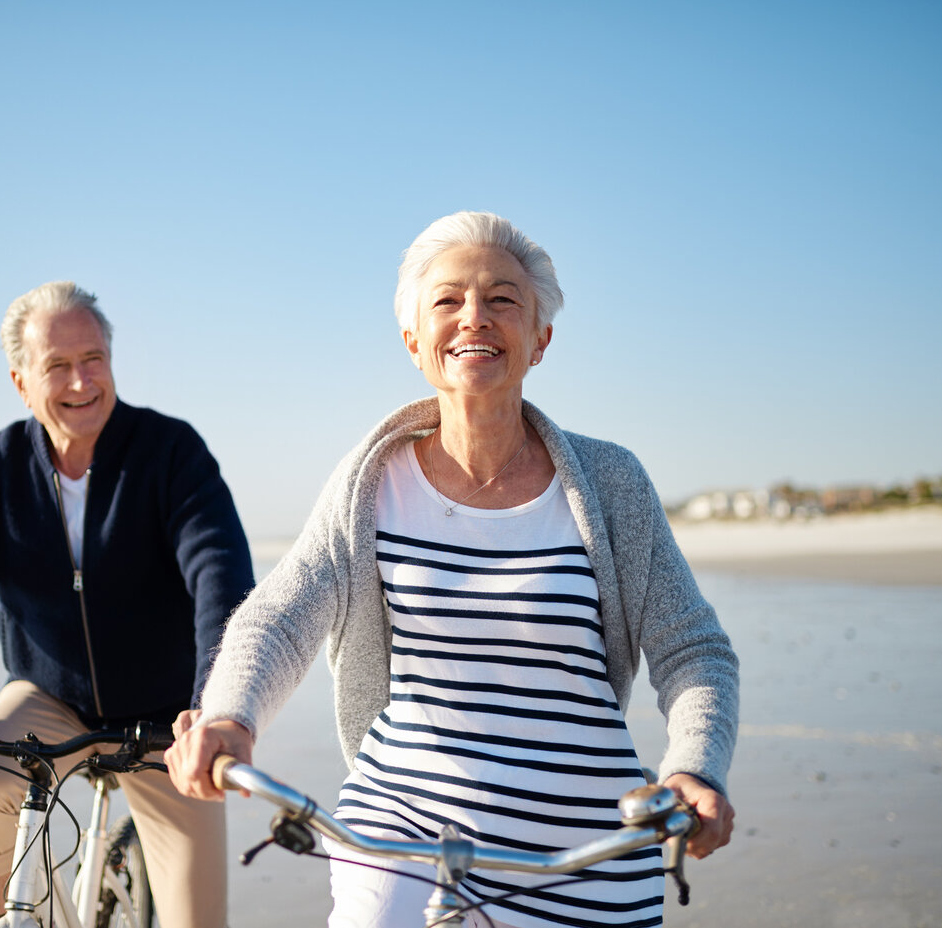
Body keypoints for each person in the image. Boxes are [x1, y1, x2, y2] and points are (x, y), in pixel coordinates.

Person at [167, 213, 738, 928]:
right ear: (414, 341)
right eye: (448, 300)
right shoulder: (370, 481)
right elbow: (280, 614)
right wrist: (230, 714)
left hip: (588, 846)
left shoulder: (611, 482)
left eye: (503, 299)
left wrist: (693, 766)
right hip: (402, 828)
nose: (476, 316)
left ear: (540, 339)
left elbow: (695, 651)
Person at [0, 280, 253, 928]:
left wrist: (215, 700)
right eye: (57, 365)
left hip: (169, 716)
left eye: (93, 359)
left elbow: (219, 576)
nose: (81, 381)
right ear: (21, 381)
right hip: (48, 697)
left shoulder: (171, 453)